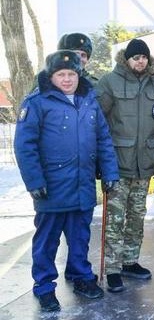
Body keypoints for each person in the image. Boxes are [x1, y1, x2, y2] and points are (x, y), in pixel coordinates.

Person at [14, 50, 119, 311]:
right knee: (47, 240)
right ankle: (45, 286)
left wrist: (110, 173)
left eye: (72, 73)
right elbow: (24, 146)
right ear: (51, 76)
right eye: (61, 74)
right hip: (51, 187)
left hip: (83, 184)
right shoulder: (37, 102)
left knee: (80, 236)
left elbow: (103, 140)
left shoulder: (89, 100)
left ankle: (81, 276)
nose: (67, 79)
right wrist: (34, 181)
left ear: (78, 74)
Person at [96, 39, 154, 292]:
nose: (140, 61)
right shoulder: (109, 82)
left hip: (143, 165)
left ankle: (129, 261)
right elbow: (98, 121)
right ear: (127, 59)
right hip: (117, 164)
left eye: (144, 57)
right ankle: (112, 269)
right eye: (136, 57)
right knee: (115, 220)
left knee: (137, 216)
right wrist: (99, 160)